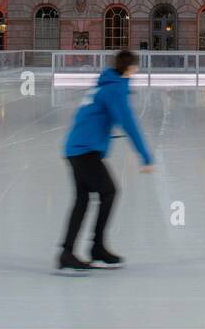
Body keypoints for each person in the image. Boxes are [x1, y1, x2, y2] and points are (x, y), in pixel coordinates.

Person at [59, 49, 154, 273]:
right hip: (84, 151)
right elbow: (129, 123)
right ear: (130, 68)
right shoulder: (116, 88)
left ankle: (68, 252)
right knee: (109, 191)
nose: (135, 72)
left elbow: (86, 116)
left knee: (83, 200)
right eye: (135, 68)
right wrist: (145, 156)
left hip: (76, 148)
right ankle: (95, 248)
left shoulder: (104, 84)